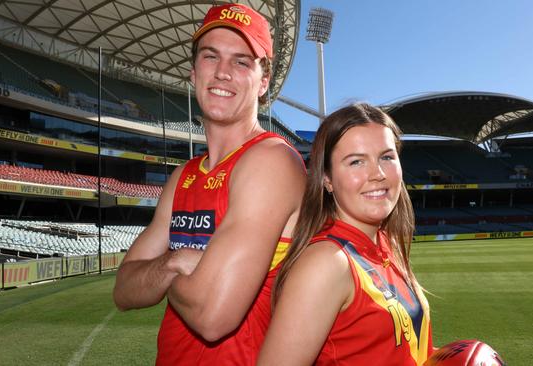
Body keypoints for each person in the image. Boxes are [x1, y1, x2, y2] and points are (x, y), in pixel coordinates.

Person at [113, 3, 305, 365]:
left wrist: (160, 274)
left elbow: (212, 315)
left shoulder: (271, 160)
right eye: (210, 56)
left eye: (241, 62)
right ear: (193, 71)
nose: (222, 73)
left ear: (263, 82)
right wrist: (174, 263)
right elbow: (123, 289)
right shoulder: (182, 177)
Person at [257, 103, 433, 365]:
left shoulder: (387, 242)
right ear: (327, 179)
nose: (378, 174)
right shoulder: (326, 263)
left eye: (386, 157)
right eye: (356, 162)